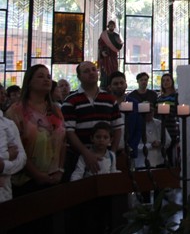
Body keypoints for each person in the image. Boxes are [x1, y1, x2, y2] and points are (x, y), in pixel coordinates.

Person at [5, 65, 66, 196]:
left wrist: (60, 170)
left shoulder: (55, 110)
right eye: (40, 76)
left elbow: (63, 141)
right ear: (29, 82)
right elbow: (15, 147)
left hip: (54, 177)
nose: (46, 79)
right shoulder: (16, 111)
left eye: (48, 77)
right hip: (26, 181)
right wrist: (37, 174)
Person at [61, 61, 123, 182]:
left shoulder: (109, 99)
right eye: (86, 71)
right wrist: (86, 153)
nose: (91, 73)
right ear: (79, 77)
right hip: (78, 157)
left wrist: (112, 154)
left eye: (94, 70)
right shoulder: (70, 101)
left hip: (105, 156)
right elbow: (69, 132)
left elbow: (117, 128)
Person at [0, 106, 26, 202]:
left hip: (4, 196)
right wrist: (8, 155)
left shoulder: (8, 124)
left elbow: (21, 159)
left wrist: (3, 166)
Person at [156, 73, 179, 166]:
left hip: (171, 127)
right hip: (161, 127)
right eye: (163, 80)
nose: (165, 82)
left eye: (168, 80)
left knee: (170, 152)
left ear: (172, 82)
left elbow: (178, 111)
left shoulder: (176, 96)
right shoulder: (159, 97)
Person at [98, 20, 123, 89]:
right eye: (110, 26)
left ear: (114, 27)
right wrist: (102, 51)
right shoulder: (104, 35)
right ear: (108, 26)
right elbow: (100, 43)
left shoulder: (116, 35)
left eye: (113, 26)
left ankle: (113, 84)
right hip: (106, 55)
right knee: (105, 69)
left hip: (113, 55)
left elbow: (119, 45)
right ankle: (104, 85)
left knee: (114, 69)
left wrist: (120, 43)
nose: (112, 27)